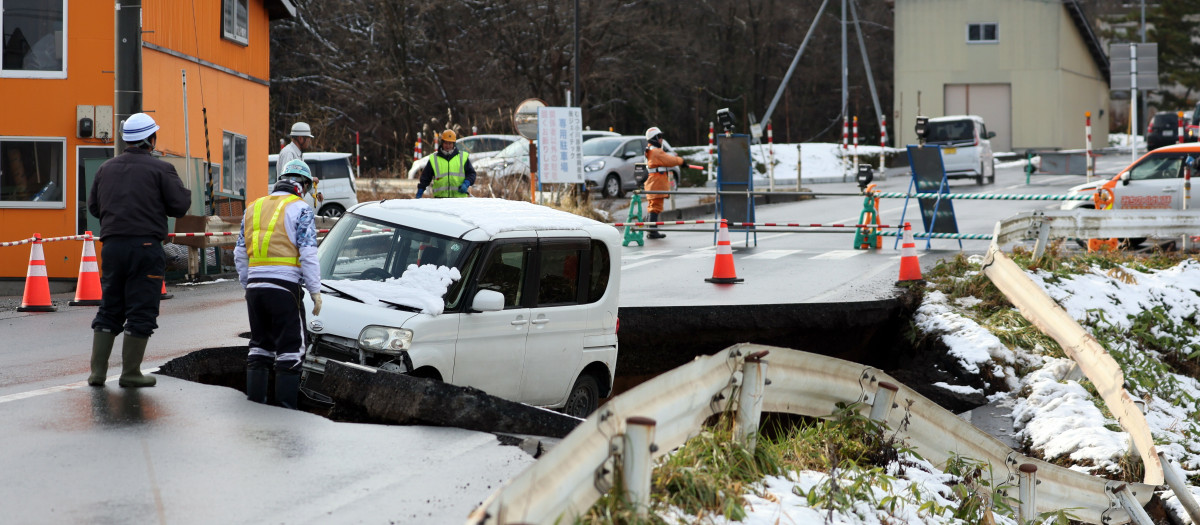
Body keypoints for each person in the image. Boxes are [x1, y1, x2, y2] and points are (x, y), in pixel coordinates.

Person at [86, 113, 193, 387]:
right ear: (150, 140)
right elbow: (179, 206)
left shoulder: (105, 169)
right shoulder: (160, 169)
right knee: (141, 308)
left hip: (111, 247)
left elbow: (94, 208)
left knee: (110, 306)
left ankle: (97, 374)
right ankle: (130, 373)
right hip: (145, 247)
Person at [234, 159, 322, 409]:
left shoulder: (254, 207)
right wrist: (315, 291)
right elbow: (308, 253)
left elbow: (240, 253)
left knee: (260, 346)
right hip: (285, 287)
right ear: (302, 185)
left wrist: (248, 284)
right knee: (291, 349)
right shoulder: (301, 208)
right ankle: (285, 411)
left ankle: (256, 405)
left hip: (255, 288)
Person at [642, 127, 684, 239]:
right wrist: (681, 161)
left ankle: (651, 229)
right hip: (656, 182)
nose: (661, 139)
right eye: (659, 137)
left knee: (653, 206)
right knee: (655, 206)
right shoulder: (656, 152)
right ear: (654, 138)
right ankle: (652, 231)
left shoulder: (650, 150)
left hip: (653, 181)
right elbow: (670, 160)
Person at [415, 130, 476, 198]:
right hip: (440, 200)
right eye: (446, 143)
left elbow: (472, 174)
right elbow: (425, 177)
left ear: (454, 144)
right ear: (442, 143)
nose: (448, 146)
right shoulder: (434, 159)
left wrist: (466, 183)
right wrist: (420, 190)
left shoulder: (462, 158)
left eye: (450, 143)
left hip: (459, 199)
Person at [278, 121, 322, 208]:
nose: (309, 141)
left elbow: (302, 178)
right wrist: (312, 179)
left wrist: (315, 193)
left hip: (292, 200)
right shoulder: (289, 153)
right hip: (287, 202)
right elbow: (288, 177)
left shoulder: (298, 153)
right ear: (301, 138)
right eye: (308, 138)